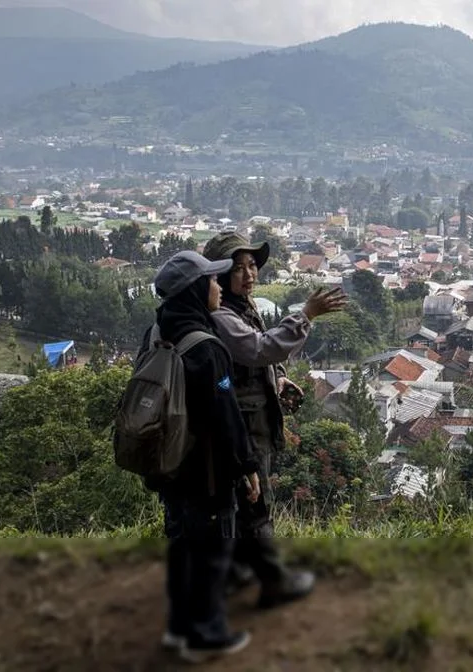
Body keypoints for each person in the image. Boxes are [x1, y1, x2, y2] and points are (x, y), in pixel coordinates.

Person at [202, 232, 348, 608]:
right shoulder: (220, 313)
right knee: (255, 501)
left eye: (252, 265)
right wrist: (306, 315)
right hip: (242, 427)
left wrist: (277, 378)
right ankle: (273, 581)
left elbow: (255, 354)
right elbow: (257, 347)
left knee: (240, 500)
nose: (249, 274)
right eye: (238, 268)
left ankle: (232, 573)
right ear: (217, 275)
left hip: (248, 418)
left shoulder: (239, 305)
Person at [141, 250, 264, 663]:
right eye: (211, 281)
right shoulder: (206, 347)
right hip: (206, 472)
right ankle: (206, 635)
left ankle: (179, 628)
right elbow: (225, 416)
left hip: (168, 465)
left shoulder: (157, 330)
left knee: (180, 545)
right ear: (195, 290)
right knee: (213, 553)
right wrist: (247, 467)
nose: (218, 286)